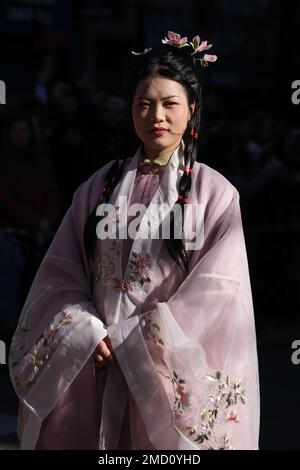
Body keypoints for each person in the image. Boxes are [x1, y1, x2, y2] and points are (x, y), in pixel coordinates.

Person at [9, 31, 260, 450]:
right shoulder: (98, 187)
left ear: (192, 109)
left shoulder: (214, 194)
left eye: (169, 103)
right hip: (97, 363)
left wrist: (135, 338)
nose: (155, 115)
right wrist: (87, 332)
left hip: (160, 378)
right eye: (143, 103)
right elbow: (60, 274)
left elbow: (218, 294)